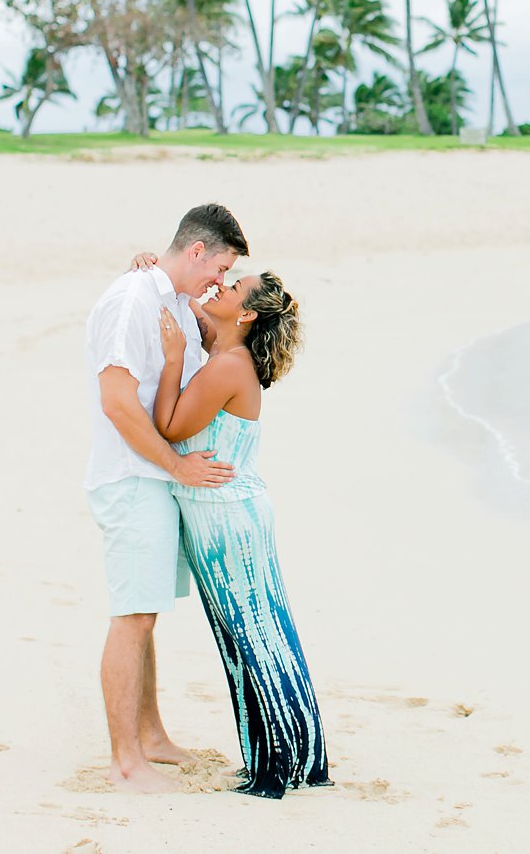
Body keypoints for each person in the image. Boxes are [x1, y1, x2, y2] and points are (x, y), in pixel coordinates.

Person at [84, 204, 248, 793]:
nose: (221, 282)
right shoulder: (133, 301)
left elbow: (225, 326)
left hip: (154, 480)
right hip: (132, 478)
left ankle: (149, 736)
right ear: (198, 250)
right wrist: (176, 464)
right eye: (220, 266)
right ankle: (125, 760)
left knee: (146, 613)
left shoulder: (172, 297)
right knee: (131, 616)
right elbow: (118, 402)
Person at [152, 268, 329, 799]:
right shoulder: (230, 358)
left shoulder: (227, 366)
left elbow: (169, 426)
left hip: (225, 519)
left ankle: (273, 773)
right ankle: (297, 762)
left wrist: (175, 360)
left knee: (252, 640)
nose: (219, 288)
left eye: (232, 289)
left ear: (247, 314)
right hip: (232, 512)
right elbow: (195, 308)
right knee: (264, 636)